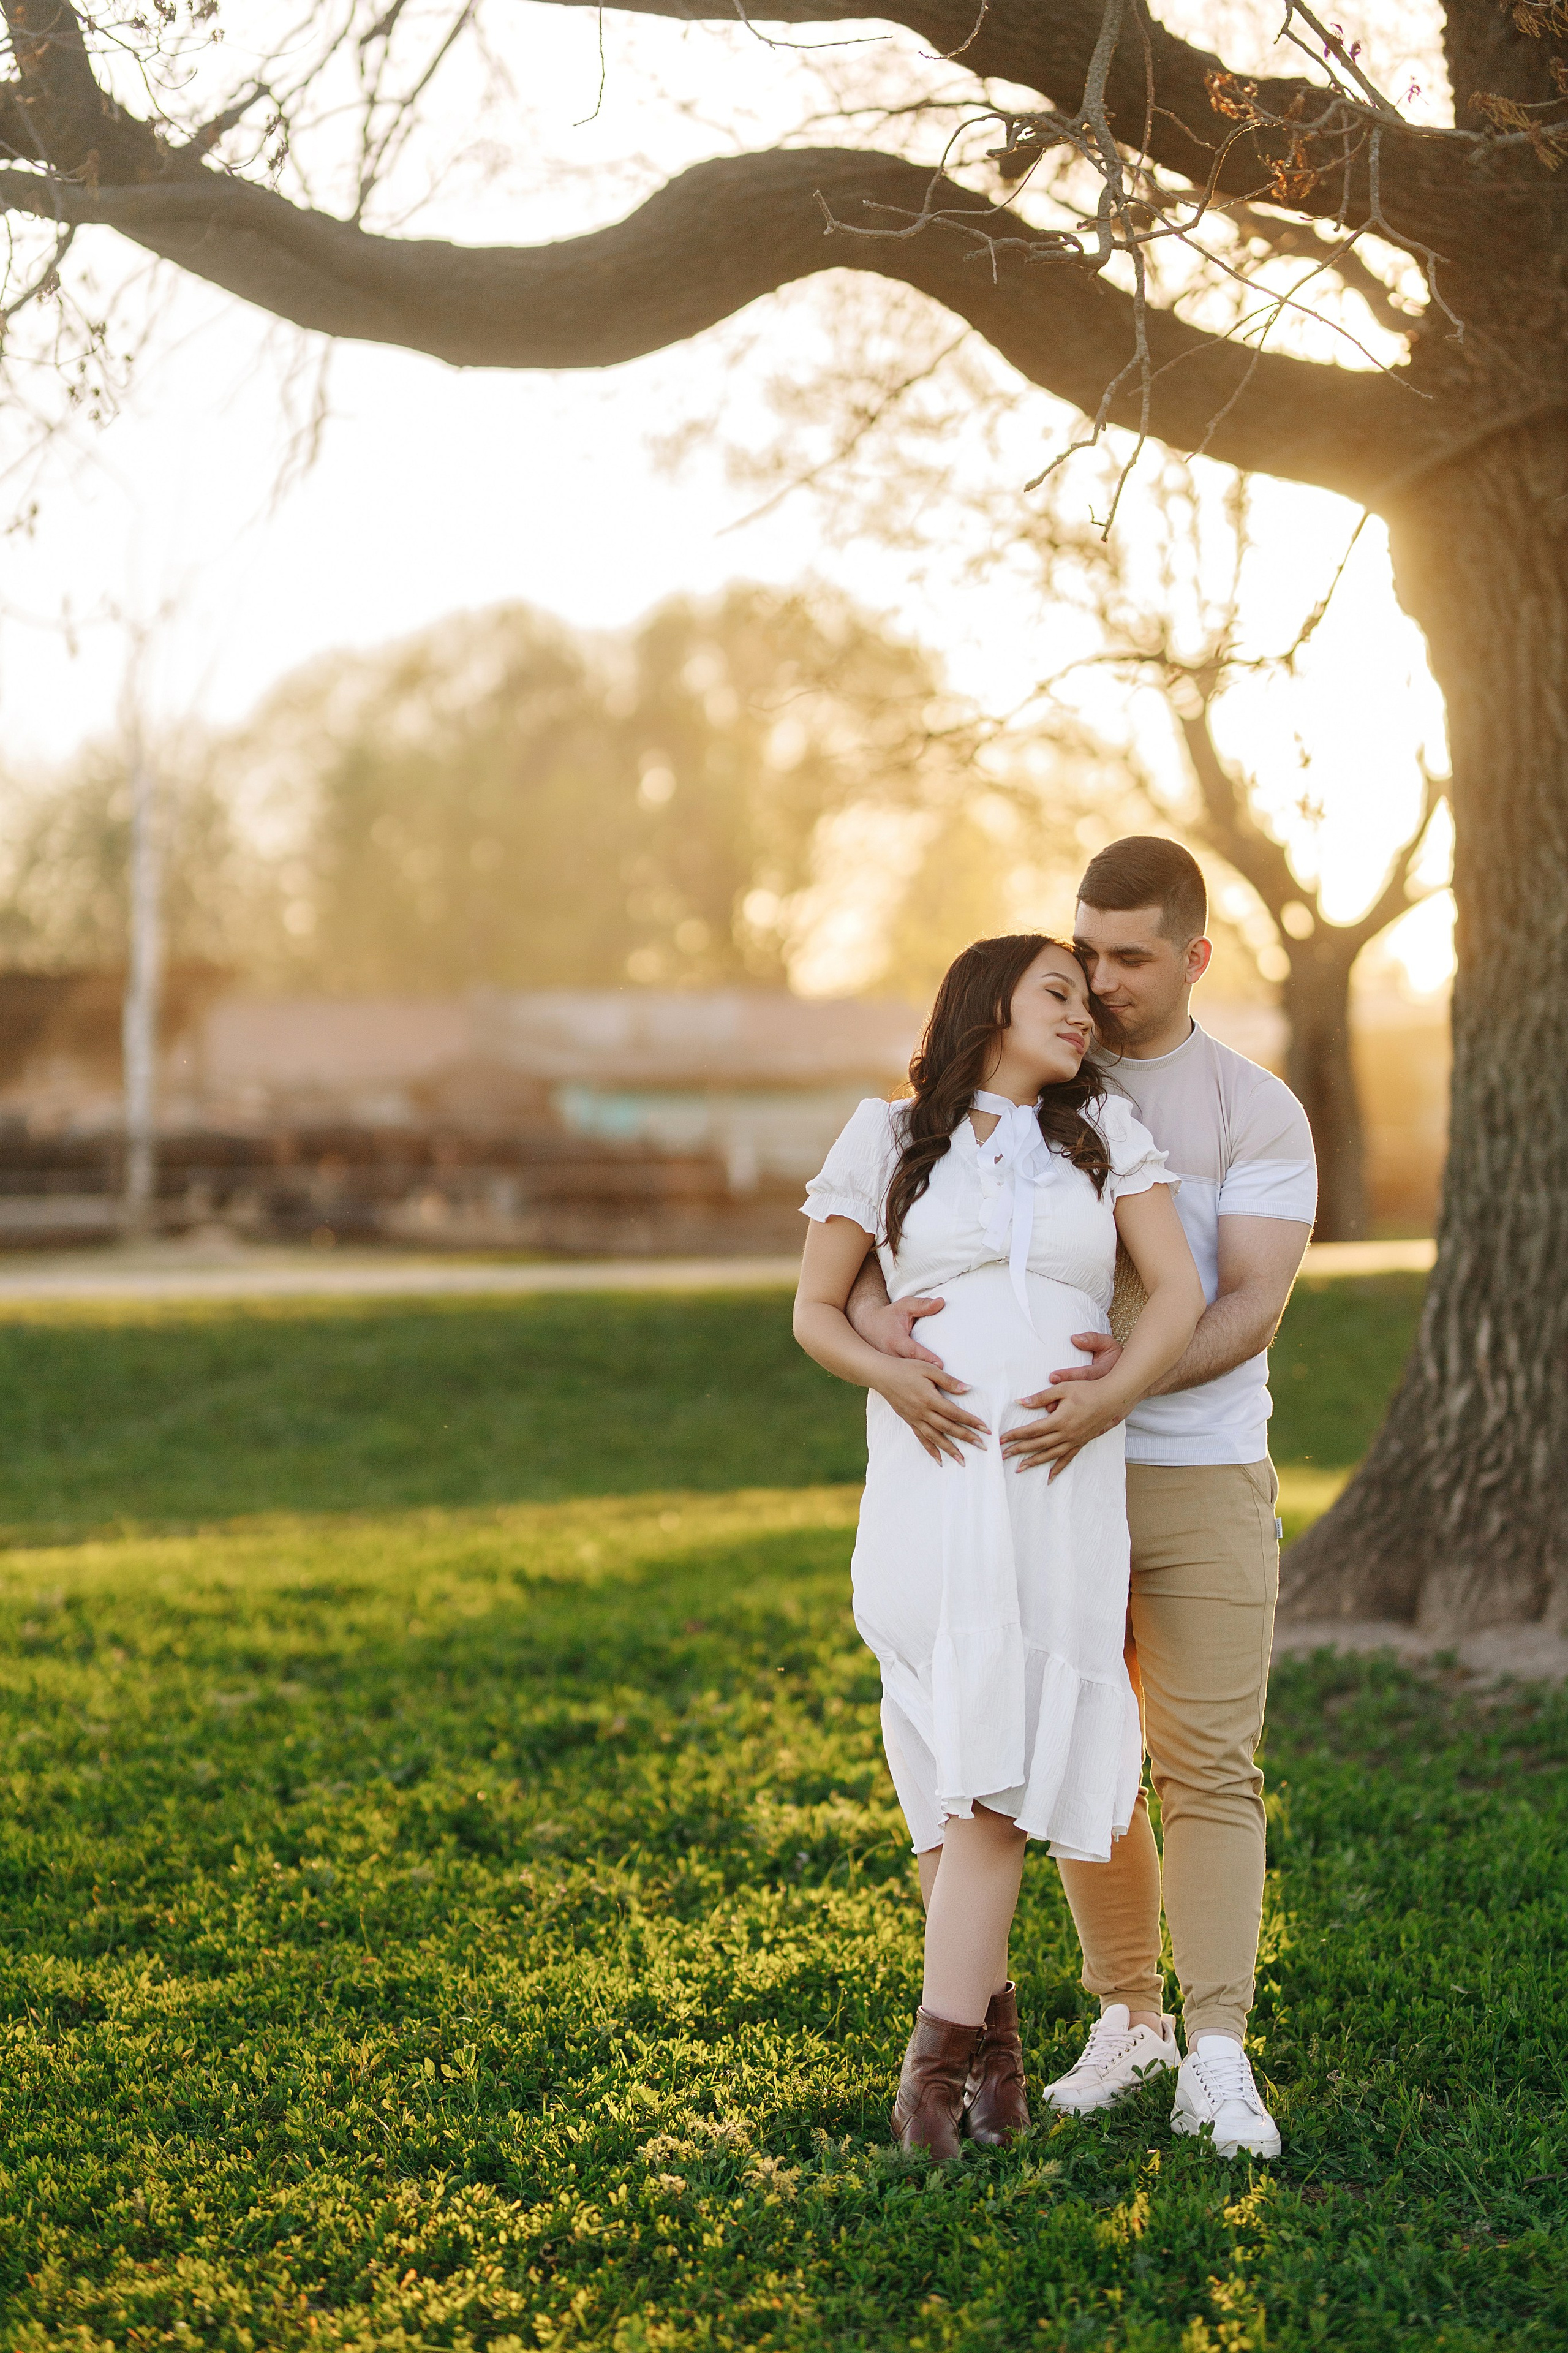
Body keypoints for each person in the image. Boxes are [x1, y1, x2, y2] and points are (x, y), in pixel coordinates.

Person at [846, 839, 1316, 2161]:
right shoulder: (1055, 1088)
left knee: (1205, 1764)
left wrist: (1113, 1395)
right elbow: (911, 1228)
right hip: (1041, 1489)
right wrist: (888, 1324)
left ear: (1191, 958)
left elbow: (1244, 1305)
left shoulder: (1251, 1110)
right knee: (1073, 1751)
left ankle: (1215, 2050)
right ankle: (1129, 2016)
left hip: (1197, 1466)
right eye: (1081, 955)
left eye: (1127, 959)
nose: (1098, 984)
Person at [793, 931, 1203, 2162]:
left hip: (1055, 1478)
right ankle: (996, 2070)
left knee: (995, 1761)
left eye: (1086, 1000)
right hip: (928, 1481)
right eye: (1056, 994)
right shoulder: (883, 1136)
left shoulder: (1104, 1137)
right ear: (989, 1001)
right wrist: (890, 1372)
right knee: (943, 1757)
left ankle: (932, 2085)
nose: (1082, 1017)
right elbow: (816, 1305)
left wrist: (1106, 1397)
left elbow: (1174, 1294)